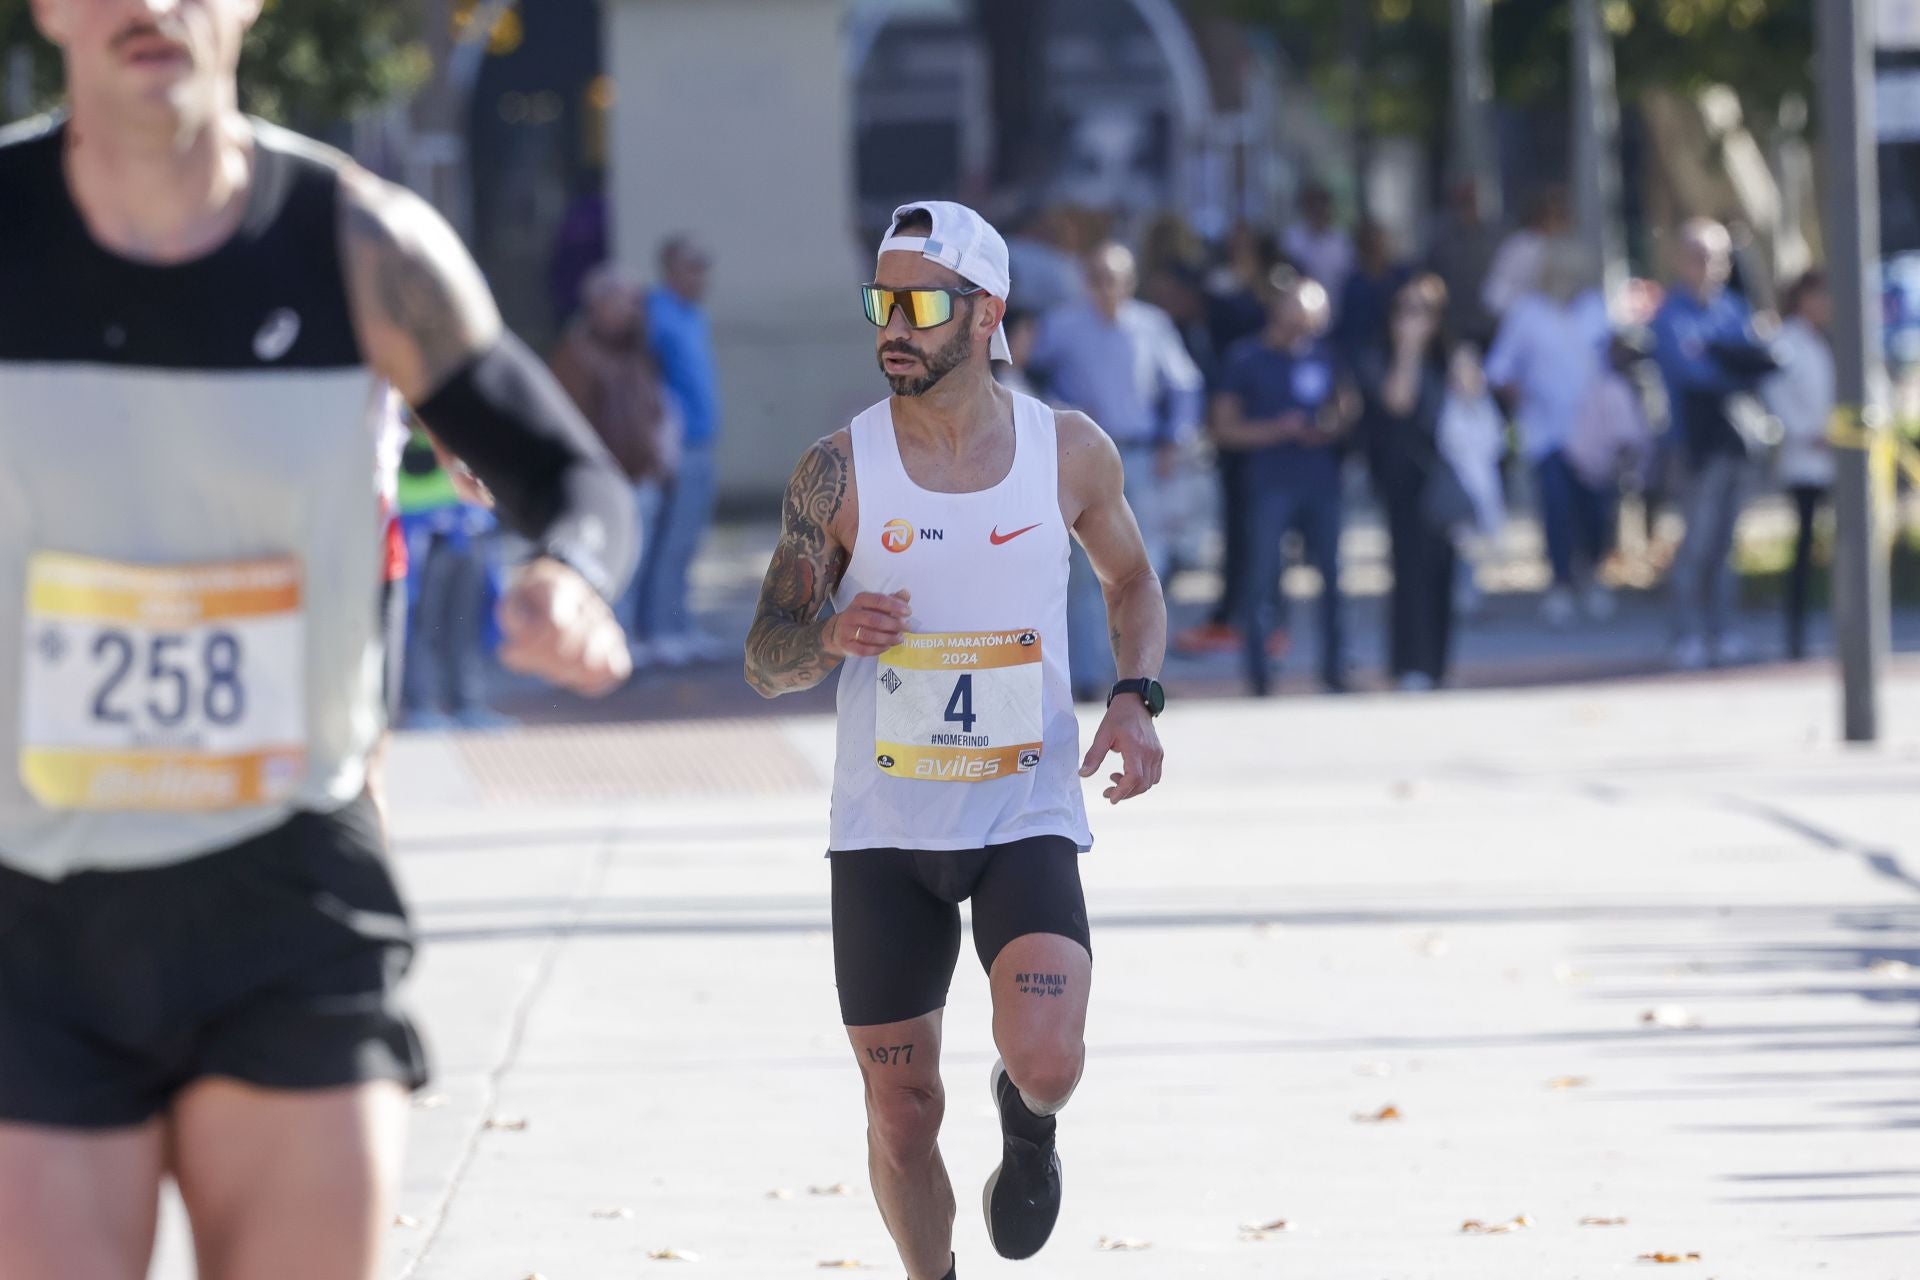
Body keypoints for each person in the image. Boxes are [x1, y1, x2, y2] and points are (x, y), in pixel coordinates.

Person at [0, 3, 638, 1277]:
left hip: (286, 885)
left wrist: (568, 574)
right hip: (30, 898)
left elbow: (570, 473)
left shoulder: (360, 245)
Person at [744, 202, 1167, 1280]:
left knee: (1051, 1062)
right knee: (902, 1112)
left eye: (921, 305)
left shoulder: (1066, 451)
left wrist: (1134, 698)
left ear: (986, 314)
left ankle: (1027, 1124)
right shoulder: (837, 471)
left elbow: (1131, 581)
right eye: (880, 302)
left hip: (1023, 810)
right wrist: (829, 634)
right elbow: (764, 655)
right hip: (886, 829)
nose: (894, 325)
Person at [1028, 241, 1202, 697]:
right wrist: (1057, 411)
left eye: (1115, 280)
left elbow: (1184, 385)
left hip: (1140, 454)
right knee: (1086, 571)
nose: (1107, 289)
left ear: (1130, 282)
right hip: (1083, 458)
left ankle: (1142, 673)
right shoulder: (1063, 326)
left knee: (1145, 565)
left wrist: (1175, 440)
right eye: (1098, 279)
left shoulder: (1152, 324)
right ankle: (1088, 676)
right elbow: (1027, 373)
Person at [1212, 271, 1349, 695]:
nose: (1312, 324)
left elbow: (1346, 407)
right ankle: (1259, 675)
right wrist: (1277, 429)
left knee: (1332, 577)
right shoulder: (1246, 359)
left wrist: (1330, 425)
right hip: (1269, 483)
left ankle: (1335, 668)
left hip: (1321, 481)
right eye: (1305, 314)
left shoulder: (1324, 355)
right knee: (1263, 579)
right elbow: (1223, 428)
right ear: (1281, 310)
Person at [1651, 217, 1776, 668]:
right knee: (1696, 542)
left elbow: (1759, 362)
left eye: (1719, 258)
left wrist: (1731, 362)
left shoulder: (1734, 309)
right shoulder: (1671, 314)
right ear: (1681, 260)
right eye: (1700, 257)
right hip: (1694, 445)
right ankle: (1686, 635)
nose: (1711, 267)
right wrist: (1733, 365)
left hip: (1735, 441)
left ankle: (1723, 631)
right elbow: (1693, 373)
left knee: (1726, 545)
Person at [550, 263, 681, 662]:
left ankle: (626, 642)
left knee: (637, 567)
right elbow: (568, 423)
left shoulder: (636, 352)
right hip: (607, 483)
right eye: (626, 300)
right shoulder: (577, 355)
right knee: (606, 570)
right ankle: (599, 650)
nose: (635, 309)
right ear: (599, 304)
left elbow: (652, 408)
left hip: (642, 478)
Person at [1485, 237, 1615, 625]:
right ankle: (1560, 583)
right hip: (1547, 433)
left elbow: (1609, 360)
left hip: (1593, 432)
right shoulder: (1527, 313)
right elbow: (1498, 369)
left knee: (1596, 510)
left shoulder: (1593, 309)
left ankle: (1592, 574)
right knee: (1557, 508)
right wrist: (1523, 395)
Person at [1358, 274, 1462, 690]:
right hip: (1401, 478)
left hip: (1445, 477)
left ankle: (1438, 663)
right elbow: (1397, 400)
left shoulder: (1449, 357)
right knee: (1411, 568)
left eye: (1425, 311)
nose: (1415, 319)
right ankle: (1409, 663)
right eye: (1406, 310)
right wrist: (1408, 348)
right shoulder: (1379, 356)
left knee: (1444, 568)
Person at [643, 234, 730, 665]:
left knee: (688, 541)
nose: (701, 277)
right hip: (676, 447)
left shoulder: (693, 315)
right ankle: (661, 630)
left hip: (701, 442)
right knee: (670, 542)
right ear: (671, 270)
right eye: (692, 268)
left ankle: (680, 625)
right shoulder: (655, 316)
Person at [395, 422, 505, 729]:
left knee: (466, 620)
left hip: (467, 523)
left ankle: (468, 704)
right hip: (420, 527)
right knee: (421, 621)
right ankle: (421, 706)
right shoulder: (406, 413)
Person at [1762, 269, 1836, 660]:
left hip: (1839, 462)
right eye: (1817, 295)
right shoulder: (1787, 340)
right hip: (1806, 460)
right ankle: (1796, 636)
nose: (1824, 304)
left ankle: (1845, 628)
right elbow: (1776, 394)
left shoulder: (1829, 339)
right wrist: (1809, 432)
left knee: (1847, 548)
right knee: (1804, 549)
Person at [1437, 340, 1508, 616]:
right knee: (1459, 541)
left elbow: (1496, 442)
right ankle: (1459, 592)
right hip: (1456, 482)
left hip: (1481, 482)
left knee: (1473, 545)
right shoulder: (1447, 403)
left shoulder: (1484, 405)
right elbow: (1447, 441)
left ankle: (1469, 592)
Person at [1427, 177, 1503, 346]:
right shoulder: (1442, 237)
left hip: (1489, 323)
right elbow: (1431, 278)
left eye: (1471, 199)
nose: (1468, 205)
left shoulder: (1494, 236)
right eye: (1463, 200)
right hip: (1456, 323)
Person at [1481, 185, 1572, 322]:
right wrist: (1526, 312)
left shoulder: (1568, 248)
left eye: (1562, 216)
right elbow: (1493, 295)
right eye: (1554, 216)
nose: (1559, 223)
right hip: (1525, 322)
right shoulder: (1519, 247)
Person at [1332, 221, 1412, 368]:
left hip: (1401, 345)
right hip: (1365, 351)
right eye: (1370, 245)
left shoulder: (1402, 276)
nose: (1378, 249)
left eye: (1381, 243)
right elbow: (1348, 330)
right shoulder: (1355, 285)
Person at [1283, 182, 1353, 312]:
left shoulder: (1341, 242)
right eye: (1313, 206)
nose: (1318, 211)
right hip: (1299, 313)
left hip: (1336, 310)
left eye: (1322, 205)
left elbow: (1347, 280)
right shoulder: (1292, 239)